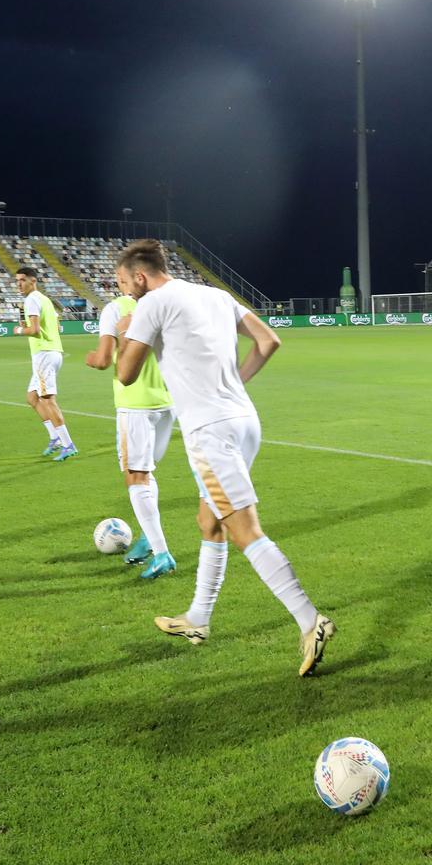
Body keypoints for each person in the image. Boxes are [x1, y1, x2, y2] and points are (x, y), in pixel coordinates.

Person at [113, 239, 335, 676]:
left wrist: (126, 333)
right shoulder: (214, 294)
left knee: (244, 531)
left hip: (209, 432)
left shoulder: (152, 304)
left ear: (141, 276)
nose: (125, 291)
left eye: (123, 283)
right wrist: (235, 384)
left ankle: (312, 621)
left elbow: (125, 373)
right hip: (244, 421)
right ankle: (198, 619)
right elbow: (268, 341)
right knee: (209, 521)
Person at [85, 288, 178, 580]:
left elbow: (102, 360)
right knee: (146, 473)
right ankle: (149, 538)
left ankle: (161, 552)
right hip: (166, 402)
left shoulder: (116, 309)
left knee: (135, 477)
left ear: (126, 278)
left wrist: (91, 358)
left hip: (135, 405)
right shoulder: (167, 305)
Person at [13, 266, 76, 461]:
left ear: (33, 280)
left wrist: (19, 330)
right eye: (17, 281)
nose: (19, 285)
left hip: (44, 354)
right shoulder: (44, 299)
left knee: (48, 400)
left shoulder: (31, 299)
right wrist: (29, 327)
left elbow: (35, 330)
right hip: (53, 352)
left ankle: (68, 444)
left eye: (22, 280)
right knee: (32, 397)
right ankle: (55, 437)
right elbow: (56, 326)